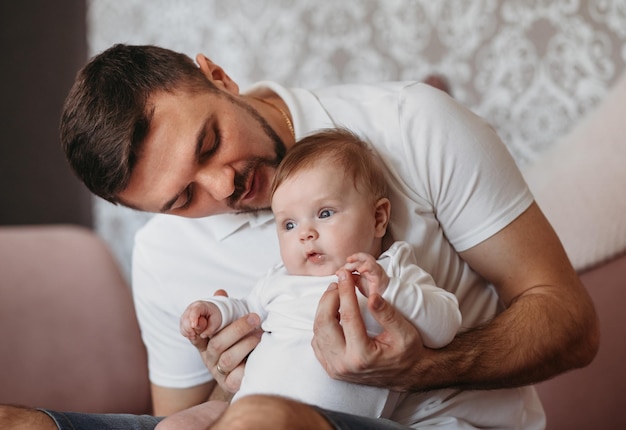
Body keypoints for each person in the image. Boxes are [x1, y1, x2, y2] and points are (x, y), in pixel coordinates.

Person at [0, 43, 598, 430]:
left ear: (218, 76)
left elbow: (573, 324)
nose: (224, 186)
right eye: (184, 199)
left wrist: (422, 366)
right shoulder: (161, 253)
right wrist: (227, 377)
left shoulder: (414, 125)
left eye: (209, 144)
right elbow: (185, 421)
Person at [164, 129, 462, 428]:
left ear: (378, 218)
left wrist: (390, 289)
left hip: (326, 422)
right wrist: (214, 311)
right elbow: (246, 311)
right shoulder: (279, 279)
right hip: (246, 411)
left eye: (324, 213)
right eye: (289, 224)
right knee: (175, 425)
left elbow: (444, 328)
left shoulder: (392, 271)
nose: (306, 233)